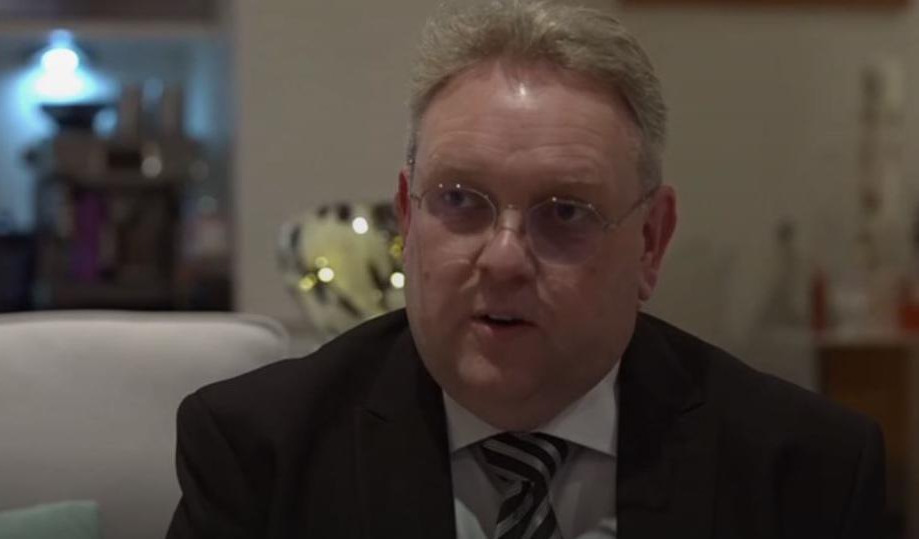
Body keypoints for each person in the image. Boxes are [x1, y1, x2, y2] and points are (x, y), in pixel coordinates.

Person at [166, 1, 885, 538]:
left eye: (564, 212)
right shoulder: (258, 452)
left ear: (651, 242)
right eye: (458, 201)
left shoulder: (804, 472)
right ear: (408, 217)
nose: (504, 256)